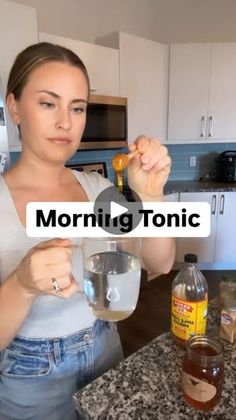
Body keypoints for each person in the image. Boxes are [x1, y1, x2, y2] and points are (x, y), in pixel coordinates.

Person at [0, 42, 175, 420]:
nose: (66, 122)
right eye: (48, 103)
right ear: (14, 106)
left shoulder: (99, 190)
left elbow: (160, 261)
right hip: (31, 379)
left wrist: (150, 195)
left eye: (77, 107)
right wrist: (22, 284)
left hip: (105, 352)